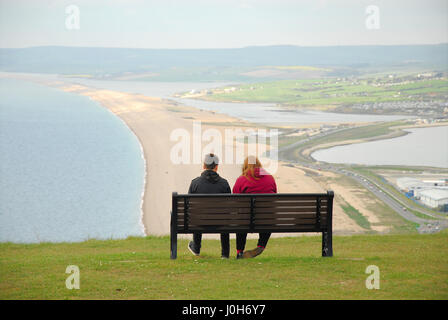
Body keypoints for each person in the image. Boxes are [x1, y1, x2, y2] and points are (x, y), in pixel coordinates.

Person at [187, 153, 232, 259]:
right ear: (216, 167)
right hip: (221, 223)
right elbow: (229, 207)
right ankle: (225, 253)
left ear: (203, 166)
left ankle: (196, 248)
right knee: (224, 217)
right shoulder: (224, 184)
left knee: (197, 214)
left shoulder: (195, 183)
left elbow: (190, 207)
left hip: (200, 223)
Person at [233, 156, 277, 259]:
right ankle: (261, 246)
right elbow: (274, 195)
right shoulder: (270, 178)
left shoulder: (242, 179)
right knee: (267, 214)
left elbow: (235, 199)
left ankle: (240, 251)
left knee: (242, 217)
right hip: (266, 220)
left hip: (246, 220)